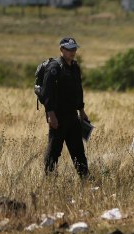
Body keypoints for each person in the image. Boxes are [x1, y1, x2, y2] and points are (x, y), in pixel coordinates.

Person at [43, 37, 90, 178]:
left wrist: (81, 110)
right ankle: (49, 178)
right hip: (58, 115)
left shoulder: (75, 67)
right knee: (54, 149)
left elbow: (78, 90)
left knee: (78, 149)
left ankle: (85, 178)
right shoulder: (54, 68)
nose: (72, 52)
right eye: (69, 49)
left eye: (74, 49)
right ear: (61, 50)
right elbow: (47, 93)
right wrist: (51, 115)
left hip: (72, 115)